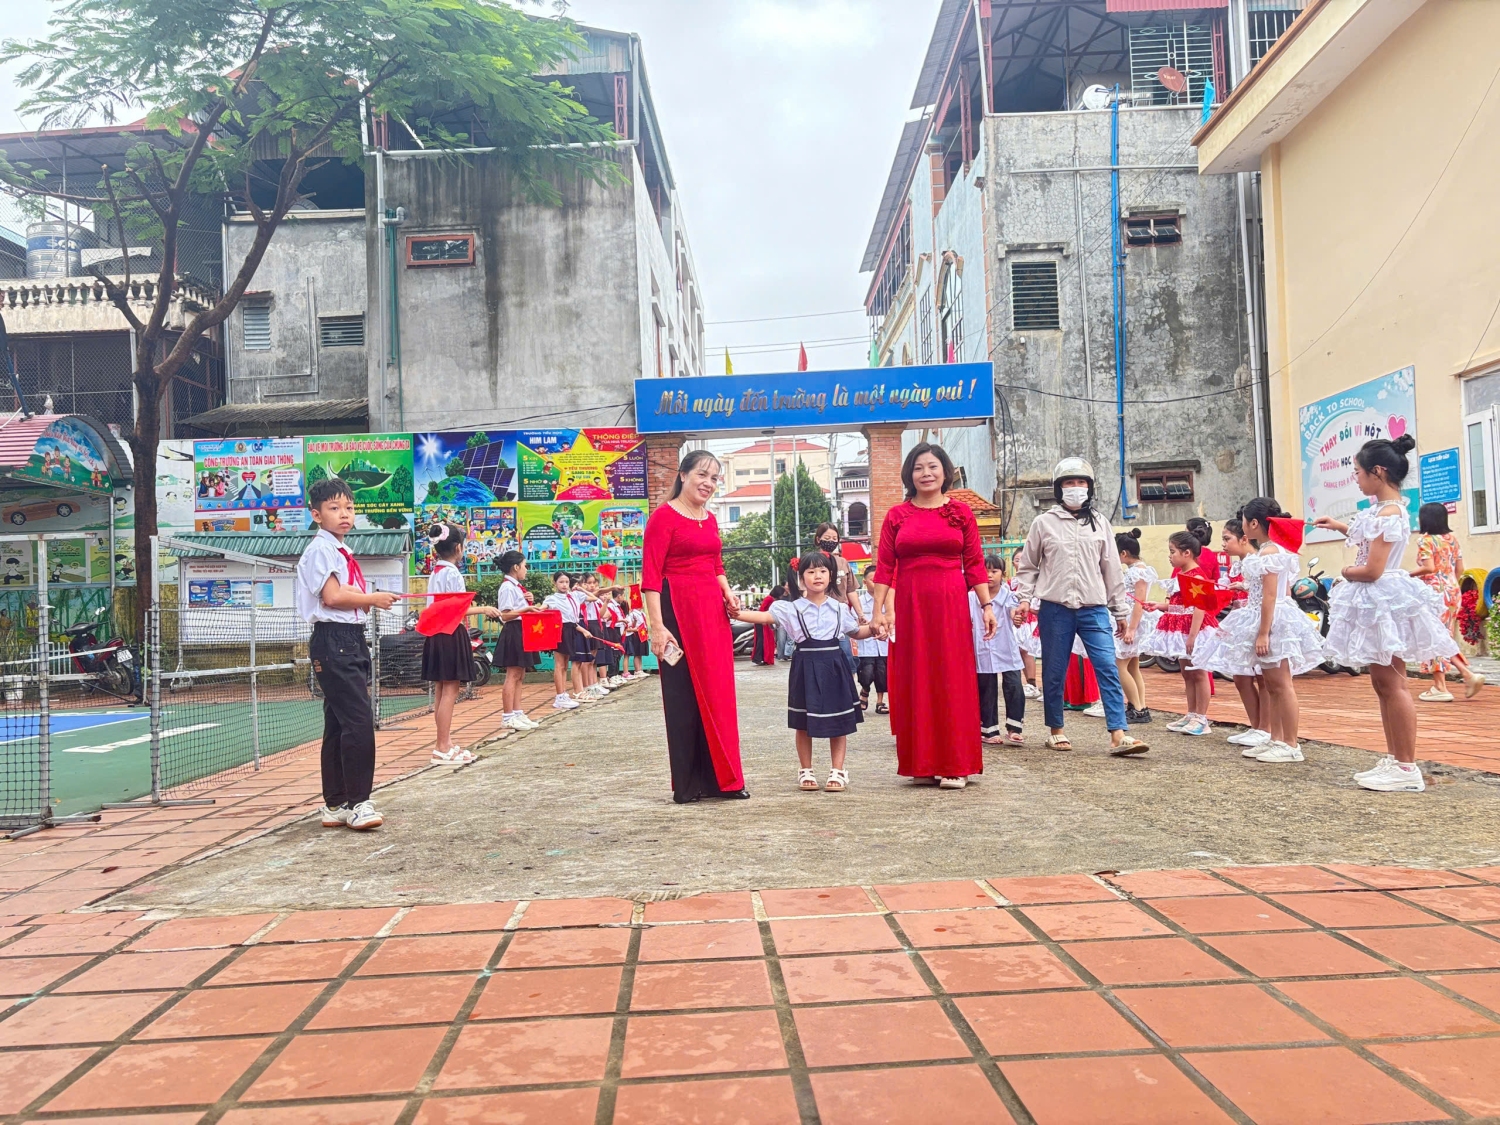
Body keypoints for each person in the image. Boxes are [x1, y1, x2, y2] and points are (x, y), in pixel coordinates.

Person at [1316, 434, 1458, 792]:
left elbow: (1373, 569)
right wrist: (1339, 526)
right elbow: (1369, 539)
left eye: (1358, 472)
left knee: (1392, 683)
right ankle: (1396, 759)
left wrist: (1345, 572)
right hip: (1378, 597)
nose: (1356, 478)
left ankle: (1406, 766)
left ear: (1378, 471)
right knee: (1382, 683)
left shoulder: (1390, 513)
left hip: (1382, 597)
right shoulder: (1382, 511)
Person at [870, 442, 994, 789]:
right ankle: (921, 762)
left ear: (945, 472)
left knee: (952, 677)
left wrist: (986, 606)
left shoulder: (961, 513)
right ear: (909, 474)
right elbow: (885, 568)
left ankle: (956, 764)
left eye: (932, 467)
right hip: (910, 605)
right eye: (918, 468)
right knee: (916, 678)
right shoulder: (896, 515)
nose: (926, 473)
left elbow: (975, 563)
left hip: (951, 603)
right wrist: (879, 612)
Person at [1011, 457, 1148, 756]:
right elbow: (1029, 566)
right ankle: (1056, 731)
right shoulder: (1044, 523)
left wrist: (1120, 610)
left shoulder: (1099, 523)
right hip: (1055, 608)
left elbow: (1111, 569)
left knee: (1107, 666)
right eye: (1069, 483)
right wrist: (1024, 599)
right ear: (1059, 488)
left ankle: (1118, 734)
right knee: (1055, 670)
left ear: (1090, 487)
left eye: (1081, 482)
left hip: (1094, 608)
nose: (1076, 487)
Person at [642, 450, 748, 803]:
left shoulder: (711, 519)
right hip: (677, 612)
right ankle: (688, 784)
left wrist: (728, 593)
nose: (708, 483)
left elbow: (716, 564)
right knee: (683, 697)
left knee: (719, 693)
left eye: (715, 478)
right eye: (702, 474)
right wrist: (658, 627)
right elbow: (651, 578)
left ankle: (724, 780)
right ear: (683, 474)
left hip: (712, 615)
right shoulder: (663, 517)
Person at [295, 477, 398, 832]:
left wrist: (364, 601)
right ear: (316, 514)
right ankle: (358, 803)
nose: (344, 514)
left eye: (349, 508)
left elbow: (345, 593)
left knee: (339, 723)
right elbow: (333, 597)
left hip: (349, 639)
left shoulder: (340, 550)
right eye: (334, 508)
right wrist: (372, 599)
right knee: (358, 721)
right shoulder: (320, 550)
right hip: (333, 640)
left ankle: (336, 803)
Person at [1192, 498, 1324, 763]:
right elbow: (1269, 589)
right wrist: (1246, 588)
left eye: (1243, 521)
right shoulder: (1270, 549)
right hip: (1270, 617)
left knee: (1281, 684)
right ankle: (1276, 738)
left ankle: (1290, 743)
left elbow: (1271, 595)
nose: (1242, 525)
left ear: (1253, 523)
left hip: (1272, 620)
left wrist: (1263, 632)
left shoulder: (1269, 552)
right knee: (1273, 685)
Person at [736, 551, 874, 791]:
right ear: (801, 578)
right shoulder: (790, 609)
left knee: (838, 720)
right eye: (811, 572)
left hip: (835, 666)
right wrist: (734, 612)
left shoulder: (840, 608)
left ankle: (837, 771)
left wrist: (876, 628)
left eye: (822, 571)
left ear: (831, 576)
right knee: (803, 721)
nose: (817, 576)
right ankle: (805, 770)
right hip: (805, 665)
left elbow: (856, 632)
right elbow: (763, 616)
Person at [423, 521, 506, 759]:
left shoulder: (436, 572)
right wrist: (484, 609)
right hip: (450, 632)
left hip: (436, 633)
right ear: (458, 548)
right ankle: (442, 746)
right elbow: (457, 609)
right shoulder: (452, 573)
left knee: (442, 690)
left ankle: (444, 742)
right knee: (450, 690)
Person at [1144, 531, 1219, 736]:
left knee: (1199, 672)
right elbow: (1180, 605)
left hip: (1195, 629)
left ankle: (1201, 718)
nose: (1169, 556)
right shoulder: (1181, 575)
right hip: (1182, 627)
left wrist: (1193, 636)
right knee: (1187, 673)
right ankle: (1191, 713)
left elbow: (1199, 607)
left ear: (1187, 553)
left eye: (1172, 552)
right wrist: (1160, 605)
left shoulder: (1197, 576)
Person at [1410, 502, 1485, 702]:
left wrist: (1406, 575)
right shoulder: (1452, 540)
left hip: (1433, 593)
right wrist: (1451, 586)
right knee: (1443, 635)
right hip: (1452, 591)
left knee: (1433, 635)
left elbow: (1428, 567)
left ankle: (1448, 683)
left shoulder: (1425, 540)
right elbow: (1460, 569)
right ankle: (1449, 680)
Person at [1216, 518, 1270, 750]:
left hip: (1258, 619)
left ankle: (1266, 728)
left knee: (1263, 676)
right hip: (1243, 620)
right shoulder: (1238, 564)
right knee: (1240, 675)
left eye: (1227, 539)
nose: (1223, 544)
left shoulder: (1260, 559)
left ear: (1244, 539)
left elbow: (1270, 591)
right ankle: (1256, 726)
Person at [490, 548, 546, 733]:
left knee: (520, 674)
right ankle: (507, 716)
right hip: (514, 631)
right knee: (512, 675)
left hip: (522, 630)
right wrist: (526, 609)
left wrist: (527, 600)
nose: (526, 570)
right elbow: (505, 615)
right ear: (515, 567)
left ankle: (517, 712)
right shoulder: (507, 587)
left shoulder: (516, 587)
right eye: (524, 566)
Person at [974, 553, 1025, 746]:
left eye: (994, 571)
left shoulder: (1008, 596)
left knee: (1014, 686)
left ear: (1002, 574)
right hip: (983, 648)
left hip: (1006, 648)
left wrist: (1016, 617)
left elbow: (1013, 611)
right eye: (985, 571)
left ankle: (1015, 728)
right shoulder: (972, 597)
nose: (989, 575)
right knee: (986, 688)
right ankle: (989, 730)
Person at [1113, 529, 1158, 725]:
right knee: (1132, 666)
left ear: (1123, 553)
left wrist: (1131, 629)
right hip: (1132, 620)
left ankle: (1137, 708)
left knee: (1119, 665)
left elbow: (1139, 602)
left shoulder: (1138, 571)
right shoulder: (1136, 569)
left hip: (1133, 621)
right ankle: (1140, 706)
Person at [541, 573, 584, 710]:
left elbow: (593, 597)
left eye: (566, 582)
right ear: (555, 583)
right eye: (561, 582)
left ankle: (564, 694)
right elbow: (542, 609)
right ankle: (559, 696)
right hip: (560, 629)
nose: (564, 585)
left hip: (571, 629)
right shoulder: (552, 599)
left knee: (565, 664)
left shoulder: (572, 597)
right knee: (559, 664)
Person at [855, 567, 889, 714]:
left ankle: (880, 702)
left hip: (884, 644)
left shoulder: (888, 600)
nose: (876, 583)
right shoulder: (860, 602)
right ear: (864, 582)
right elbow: (854, 622)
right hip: (866, 646)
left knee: (882, 674)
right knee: (866, 673)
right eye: (872, 580)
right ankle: (865, 690)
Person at [751, 585, 784, 666]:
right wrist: (764, 621)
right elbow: (762, 609)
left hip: (764, 620)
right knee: (762, 640)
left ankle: (761, 658)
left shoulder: (770, 599)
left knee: (764, 640)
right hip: (762, 621)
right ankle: (759, 658)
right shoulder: (769, 599)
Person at [623, 596, 648, 679]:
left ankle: (640, 669)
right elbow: (631, 626)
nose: (642, 603)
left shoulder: (642, 613)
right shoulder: (633, 614)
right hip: (636, 635)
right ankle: (637, 670)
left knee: (641, 653)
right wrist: (635, 626)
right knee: (637, 653)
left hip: (643, 634)